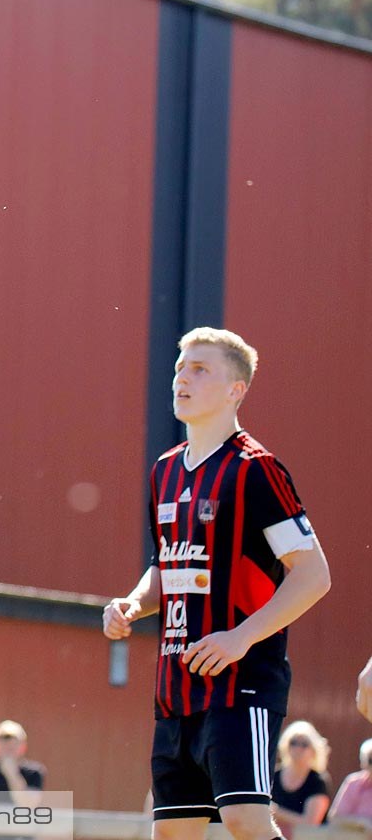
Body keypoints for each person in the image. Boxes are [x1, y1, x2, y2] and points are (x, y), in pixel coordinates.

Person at [102, 327, 331, 840]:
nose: (183, 377)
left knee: (246, 820)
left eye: (200, 369)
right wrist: (134, 604)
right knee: (173, 834)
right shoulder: (164, 472)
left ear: (236, 389)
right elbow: (167, 566)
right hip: (175, 690)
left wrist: (240, 637)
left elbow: (314, 576)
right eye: (181, 368)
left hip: (240, 683)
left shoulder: (257, 469)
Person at [270, 722, 331, 830]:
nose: (298, 748)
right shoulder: (273, 775)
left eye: (304, 744)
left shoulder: (318, 781)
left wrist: (276, 812)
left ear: (314, 750)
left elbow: (311, 823)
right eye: (293, 743)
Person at [0, 721, 44, 806]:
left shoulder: (34, 772)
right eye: (3, 744)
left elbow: (29, 804)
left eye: (13, 745)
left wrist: (12, 774)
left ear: (22, 747)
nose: (7, 748)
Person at [326, 740, 372, 831]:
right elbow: (335, 818)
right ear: (363, 763)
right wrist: (362, 823)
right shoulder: (353, 783)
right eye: (371, 760)